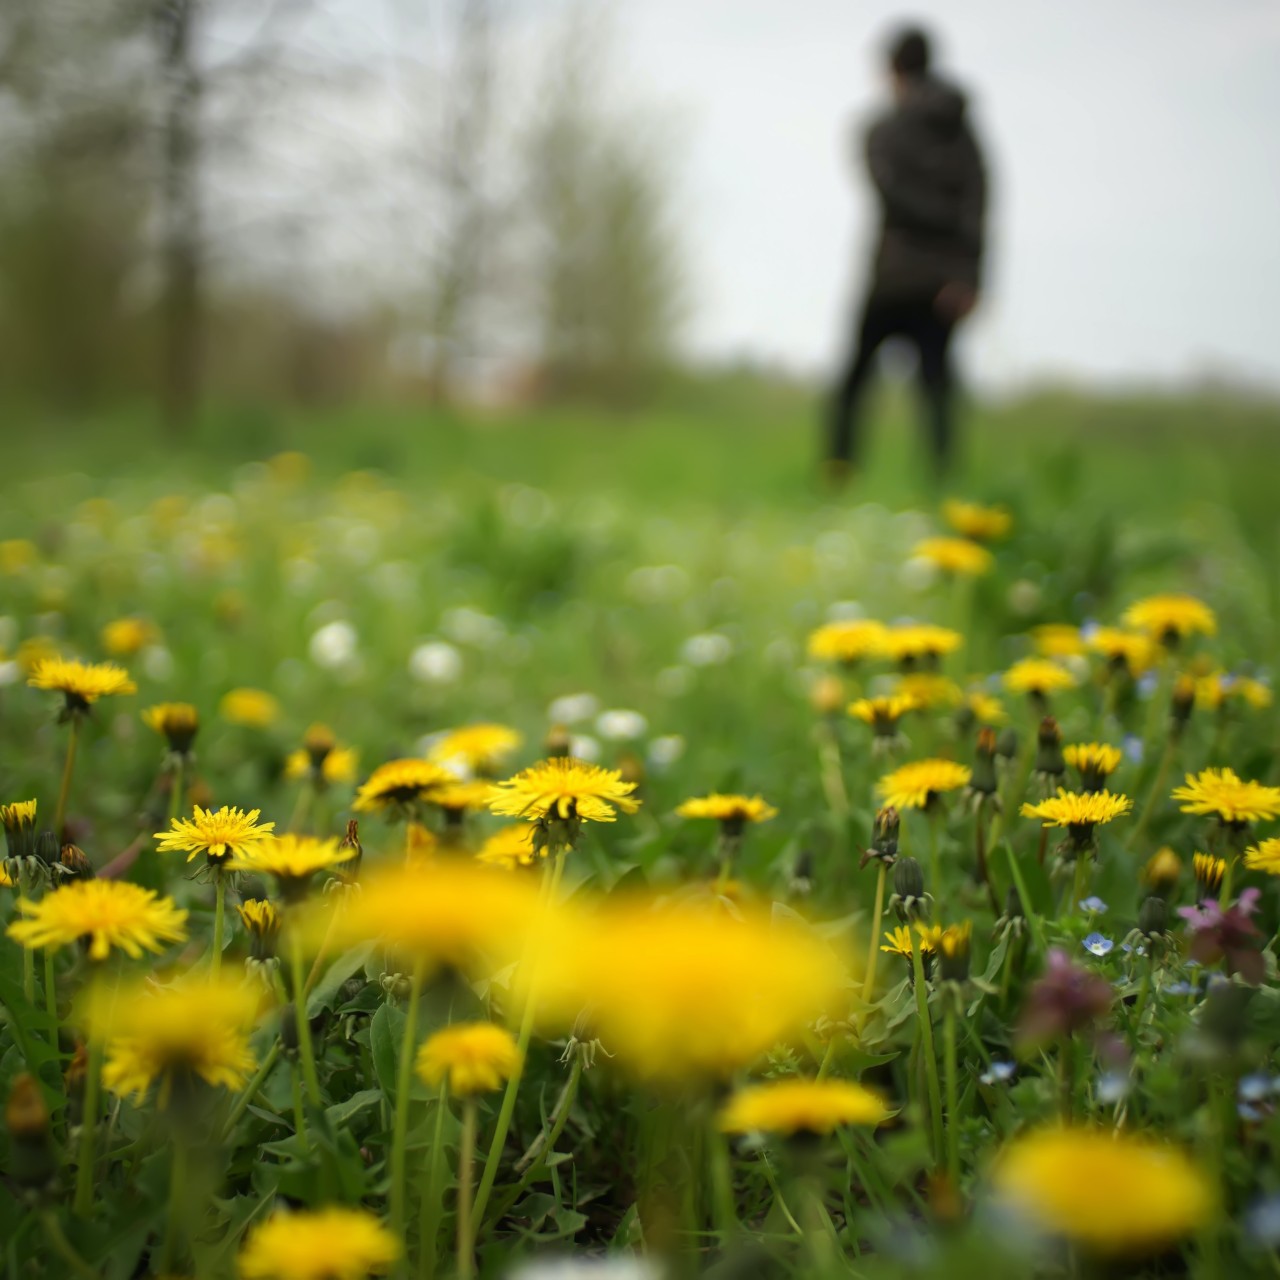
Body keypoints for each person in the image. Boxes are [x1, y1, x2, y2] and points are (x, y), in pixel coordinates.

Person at [826, 25, 987, 485]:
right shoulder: (963, 135)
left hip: (893, 275)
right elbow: (978, 203)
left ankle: (838, 471)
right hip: (944, 280)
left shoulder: (880, 131)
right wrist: (969, 275)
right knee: (936, 386)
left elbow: (889, 194)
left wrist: (929, 220)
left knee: (855, 381)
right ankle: (942, 481)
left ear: (891, 68)